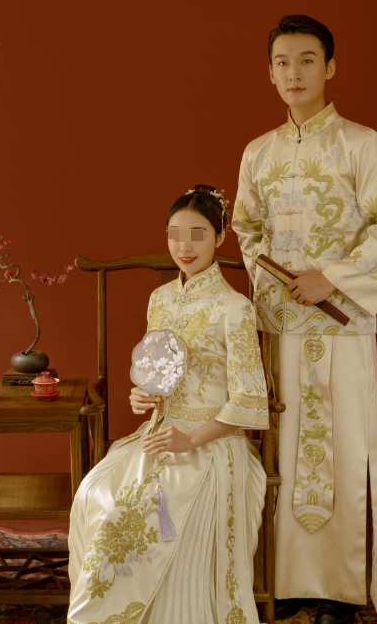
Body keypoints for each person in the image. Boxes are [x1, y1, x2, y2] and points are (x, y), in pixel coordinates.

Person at [232, 14, 377, 624]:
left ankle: (341, 591)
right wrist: (278, 289)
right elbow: (246, 230)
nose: (294, 72)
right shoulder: (258, 153)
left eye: (307, 60)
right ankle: (288, 581)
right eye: (282, 62)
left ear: (329, 67)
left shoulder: (362, 145)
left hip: (342, 325)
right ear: (270, 73)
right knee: (285, 455)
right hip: (284, 327)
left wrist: (328, 277)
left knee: (343, 452)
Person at [68, 185, 269, 624]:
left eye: (199, 234)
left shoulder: (234, 307)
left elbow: (250, 401)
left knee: (129, 512)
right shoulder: (159, 299)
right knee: (94, 493)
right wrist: (142, 394)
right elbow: (156, 371)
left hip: (212, 442)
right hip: (159, 433)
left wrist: (190, 439)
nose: (185, 246)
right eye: (175, 234)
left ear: (220, 237)